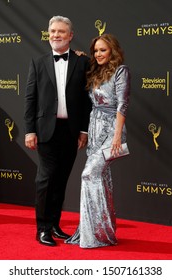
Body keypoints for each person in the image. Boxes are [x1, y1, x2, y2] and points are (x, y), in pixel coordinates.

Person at [24, 15, 91, 246]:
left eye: (61, 31)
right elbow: (30, 99)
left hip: (71, 131)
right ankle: (41, 228)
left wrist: (84, 130)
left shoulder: (82, 62)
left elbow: (86, 100)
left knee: (61, 180)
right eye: (52, 31)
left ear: (70, 35)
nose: (55, 35)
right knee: (45, 179)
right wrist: (29, 131)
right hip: (45, 130)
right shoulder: (38, 62)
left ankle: (54, 224)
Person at [65, 33, 130, 248]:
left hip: (112, 130)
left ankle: (94, 233)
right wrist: (81, 56)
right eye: (96, 50)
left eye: (103, 50)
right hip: (95, 129)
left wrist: (118, 136)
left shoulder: (121, 71)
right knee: (102, 179)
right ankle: (102, 231)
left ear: (112, 50)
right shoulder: (95, 71)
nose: (99, 54)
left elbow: (122, 105)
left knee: (89, 174)